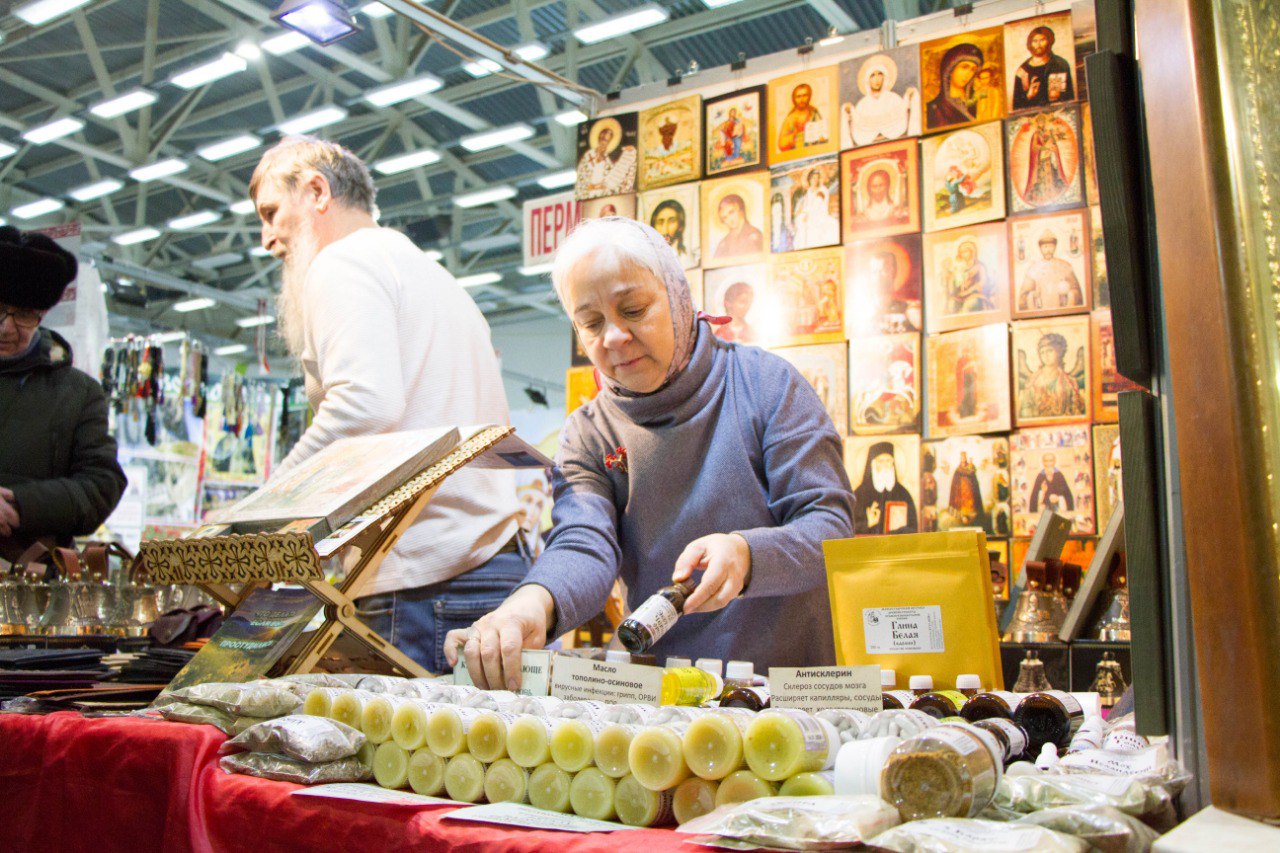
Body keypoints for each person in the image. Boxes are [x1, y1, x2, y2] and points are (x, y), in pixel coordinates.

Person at [444, 218, 855, 687]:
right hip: (664, 698)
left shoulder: (766, 385)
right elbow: (584, 541)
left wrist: (747, 554)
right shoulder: (588, 432)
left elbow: (830, 529)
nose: (613, 337)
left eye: (634, 310)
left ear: (679, 297)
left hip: (790, 690)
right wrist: (529, 605)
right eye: (591, 323)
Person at [249, 136, 523, 673]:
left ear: (316, 190)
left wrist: (264, 510)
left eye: (271, 213)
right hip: (493, 566)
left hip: (422, 581)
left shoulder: (342, 263)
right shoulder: (433, 276)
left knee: (401, 758)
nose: (267, 238)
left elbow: (364, 404)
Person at [0, 227, 126, 559]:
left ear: (41, 316)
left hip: (27, 582)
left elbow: (102, 485)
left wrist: (20, 506)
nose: (5, 327)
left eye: (23, 315)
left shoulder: (79, 393)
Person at [843, 54, 917, 146]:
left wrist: (908, 98)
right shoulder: (862, 105)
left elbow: (902, 111)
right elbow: (858, 124)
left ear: (884, 77)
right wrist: (850, 111)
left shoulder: (893, 99)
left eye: (880, 74)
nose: (877, 79)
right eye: (873, 75)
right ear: (868, 80)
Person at [852, 441, 918, 535]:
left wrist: (897, 532)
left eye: (888, 461)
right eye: (881, 461)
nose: (885, 465)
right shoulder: (859, 494)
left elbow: (913, 528)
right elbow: (848, 528)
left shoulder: (903, 494)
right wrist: (868, 523)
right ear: (873, 464)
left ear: (893, 463)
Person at [1019, 332, 1086, 419]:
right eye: (1042, 352)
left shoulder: (1070, 382)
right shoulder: (1032, 381)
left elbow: (1077, 410)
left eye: (1050, 351)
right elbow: (1026, 408)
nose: (1045, 355)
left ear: (1059, 352)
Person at [1012, 25, 1075, 110]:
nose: (1038, 45)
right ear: (1030, 43)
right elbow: (1016, 106)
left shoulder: (1059, 65)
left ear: (1049, 41)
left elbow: (1067, 98)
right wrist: (1029, 96)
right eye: (1034, 41)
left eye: (1042, 40)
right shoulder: (1022, 71)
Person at [1017, 231, 1084, 310]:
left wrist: (1069, 293)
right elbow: (1024, 297)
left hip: (1062, 310)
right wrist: (1033, 295)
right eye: (1045, 247)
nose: (1048, 250)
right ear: (1040, 248)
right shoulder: (1033, 269)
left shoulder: (1065, 266)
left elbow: (1076, 292)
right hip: (1040, 312)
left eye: (1051, 246)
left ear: (1055, 247)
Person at [927, 43, 984, 128]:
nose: (968, 74)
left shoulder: (977, 102)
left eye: (973, 69)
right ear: (950, 69)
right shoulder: (934, 109)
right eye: (964, 67)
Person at [576, 119, 637, 199]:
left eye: (606, 141)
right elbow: (582, 178)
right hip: (588, 196)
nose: (603, 143)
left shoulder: (607, 161)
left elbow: (615, 180)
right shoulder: (588, 156)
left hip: (602, 197)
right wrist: (592, 187)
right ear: (598, 138)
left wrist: (630, 153)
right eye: (602, 139)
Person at [1022, 113, 1071, 206]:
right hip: (1040, 158)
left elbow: (1053, 142)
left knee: (1050, 173)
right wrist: (1045, 147)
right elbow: (1034, 147)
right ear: (1037, 123)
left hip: (1048, 156)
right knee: (1042, 176)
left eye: (1043, 121)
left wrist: (1052, 147)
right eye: (1040, 122)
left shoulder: (1048, 132)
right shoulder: (1036, 134)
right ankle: (1043, 194)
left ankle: (1051, 192)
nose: (1041, 123)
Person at [778, 82, 827, 152]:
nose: (802, 99)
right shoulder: (790, 118)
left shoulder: (814, 112)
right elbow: (781, 144)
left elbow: (822, 132)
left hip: (814, 150)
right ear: (794, 98)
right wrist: (794, 134)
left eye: (804, 95)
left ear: (809, 96)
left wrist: (822, 137)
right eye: (798, 96)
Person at [712, 193, 764, 259]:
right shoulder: (723, 244)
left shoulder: (755, 235)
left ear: (739, 209)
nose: (730, 219)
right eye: (725, 217)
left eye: (731, 212)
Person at [649, 199, 693, 267]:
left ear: (680, 226)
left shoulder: (687, 259)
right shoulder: (649, 260)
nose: (665, 230)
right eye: (660, 222)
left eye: (671, 221)